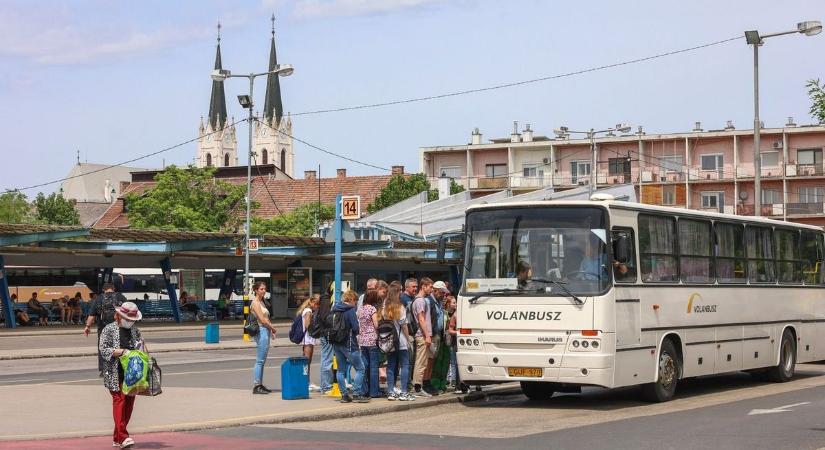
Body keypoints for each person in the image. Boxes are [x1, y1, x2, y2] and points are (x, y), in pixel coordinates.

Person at [98, 301, 144, 449]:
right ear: (119, 316)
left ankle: (117, 438)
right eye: (128, 319)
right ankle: (124, 436)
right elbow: (104, 350)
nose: (130, 322)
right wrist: (122, 352)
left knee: (129, 404)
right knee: (120, 401)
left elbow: (141, 346)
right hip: (114, 371)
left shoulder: (135, 330)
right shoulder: (109, 329)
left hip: (132, 373)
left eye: (133, 320)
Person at [331, 290, 369, 403]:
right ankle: (357, 393)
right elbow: (356, 328)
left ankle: (344, 395)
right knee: (361, 368)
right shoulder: (350, 310)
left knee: (340, 370)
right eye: (355, 300)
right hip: (349, 343)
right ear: (351, 299)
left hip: (337, 343)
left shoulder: (335, 309)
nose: (356, 303)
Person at [383, 281, 414, 401]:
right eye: (400, 290)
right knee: (405, 365)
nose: (401, 292)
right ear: (397, 292)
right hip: (400, 341)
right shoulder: (400, 306)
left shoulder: (385, 305)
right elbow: (404, 325)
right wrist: (408, 339)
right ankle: (404, 392)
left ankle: (391, 391)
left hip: (389, 340)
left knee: (391, 365)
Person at [85, 284, 125, 377]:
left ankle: (104, 370)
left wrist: (87, 326)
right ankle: (119, 368)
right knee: (118, 346)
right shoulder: (120, 297)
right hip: (118, 327)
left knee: (103, 348)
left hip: (103, 328)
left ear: (104, 290)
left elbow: (92, 314)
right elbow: (128, 310)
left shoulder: (99, 299)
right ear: (113, 289)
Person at [250, 281, 278, 394]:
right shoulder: (255, 303)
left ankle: (260, 384)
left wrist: (271, 329)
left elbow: (267, 317)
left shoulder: (263, 302)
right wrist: (272, 328)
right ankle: (257, 385)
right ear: (256, 290)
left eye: (264, 289)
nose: (263, 290)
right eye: (261, 289)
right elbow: (262, 319)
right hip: (261, 330)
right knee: (260, 360)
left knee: (263, 360)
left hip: (265, 330)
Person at [412, 277, 436, 397]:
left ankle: (418, 386)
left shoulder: (421, 300)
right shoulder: (420, 301)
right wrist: (427, 335)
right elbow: (421, 319)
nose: (431, 289)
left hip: (423, 335)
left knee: (423, 362)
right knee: (420, 362)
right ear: (424, 286)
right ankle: (417, 387)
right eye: (430, 287)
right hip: (422, 335)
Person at [357, 290, 381, 398]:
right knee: (374, 367)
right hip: (372, 340)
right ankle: (374, 391)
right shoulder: (372, 309)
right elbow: (376, 324)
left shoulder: (360, 309)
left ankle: (364, 390)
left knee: (364, 367)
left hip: (362, 341)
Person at [297, 294, 321, 391]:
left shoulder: (307, 310)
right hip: (308, 340)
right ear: (311, 302)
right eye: (316, 304)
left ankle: (307, 381)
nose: (317, 306)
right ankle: (306, 382)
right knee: (306, 361)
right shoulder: (308, 311)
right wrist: (315, 328)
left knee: (307, 361)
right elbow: (307, 325)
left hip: (308, 339)